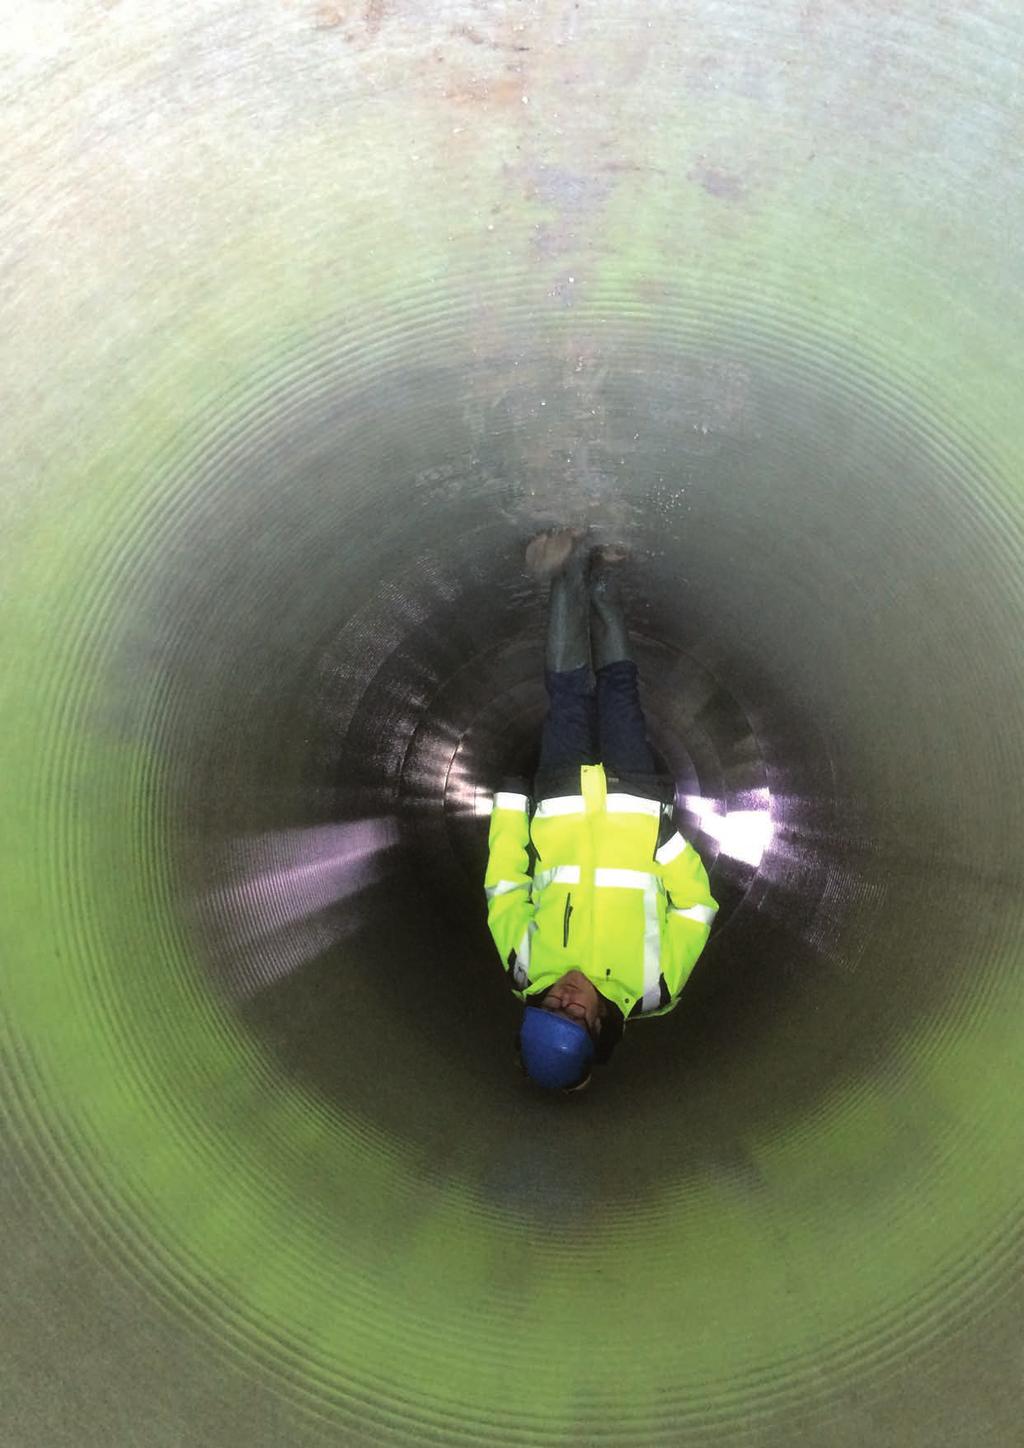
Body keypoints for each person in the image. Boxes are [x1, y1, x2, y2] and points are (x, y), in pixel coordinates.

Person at [484, 529, 718, 1093]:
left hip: (561, 802)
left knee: (566, 693)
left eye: (549, 1009)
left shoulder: (522, 965)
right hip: (635, 804)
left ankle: (567, 573)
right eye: (575, 1014)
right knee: (618, 692)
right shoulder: (654, 986)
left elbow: (505, 884)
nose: (563, 998)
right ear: (599, 1025)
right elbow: (694, 909)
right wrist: (666, 844)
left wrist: (512, 806)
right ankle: (605, 581)